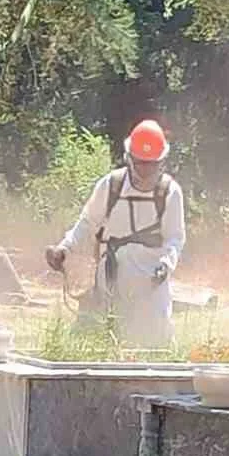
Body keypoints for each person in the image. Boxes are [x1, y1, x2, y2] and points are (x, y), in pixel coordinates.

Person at [45, 120, 186, 347]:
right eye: (140, 163)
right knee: (98, 341)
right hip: (111, 278)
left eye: (152, 165)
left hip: (151, 283)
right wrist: (64, 248)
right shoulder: (111, 185)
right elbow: (87, 224)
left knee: (155, 348)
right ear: (129, 158)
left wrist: (166, 265)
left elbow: (175, 238)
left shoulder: (170, 192)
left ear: (161, 162)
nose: (145, 171)